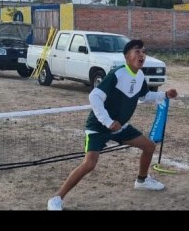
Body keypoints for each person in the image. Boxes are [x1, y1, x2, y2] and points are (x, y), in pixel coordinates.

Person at [47, 38, 178, 211]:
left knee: (149, 146)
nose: (142, 55)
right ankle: (56, 198)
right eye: (137, 51)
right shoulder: (117, 74)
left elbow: (144, 96)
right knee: (89, 164)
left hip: (120, 127)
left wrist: (164, 95)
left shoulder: (140, 76)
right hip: (98, 127)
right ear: (127, 56)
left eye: (143, 51)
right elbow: (94, 96)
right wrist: (107, 122)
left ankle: (142, 180)